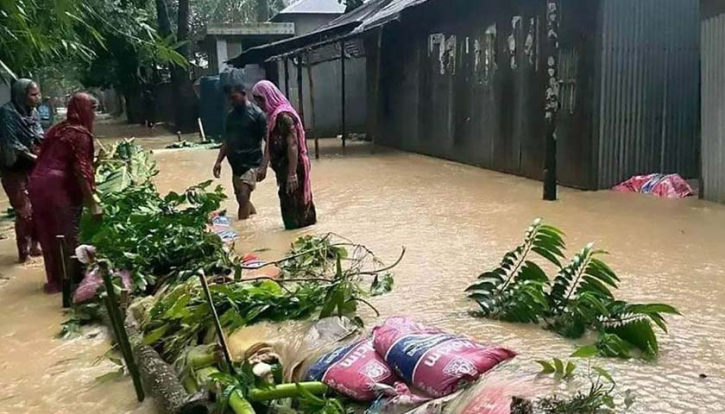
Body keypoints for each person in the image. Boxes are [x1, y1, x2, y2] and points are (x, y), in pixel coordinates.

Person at [29, 93, 102, 294]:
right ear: (85, 109)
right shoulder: (80, 134)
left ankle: (54, 282)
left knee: (47, 233)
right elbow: (80, 170)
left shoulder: (57, 129)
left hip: (36, 183)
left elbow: (49, 156)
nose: (94, 114)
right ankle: (73, 284)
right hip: (56, 186)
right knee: (69, 233)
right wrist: (92, 201)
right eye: (93, 109)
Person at [251, 80, 316, 230]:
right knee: (289, 198)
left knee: (293, 200)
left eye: (259, 101)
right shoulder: (274, 117)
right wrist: (263, 166)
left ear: (266, 97)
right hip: (284, 167)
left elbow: (293, 145)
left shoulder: (283, 116)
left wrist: (292, 174)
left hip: (293, 166)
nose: (259, 106)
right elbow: (270, 142)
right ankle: (301, 231)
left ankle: (297, 233)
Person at [0, 78, 43, 262]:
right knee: (24, 211)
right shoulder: (7, 113)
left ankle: (36, 245)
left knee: (40, 207)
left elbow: (39, 135)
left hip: (33, 166)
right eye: (33, 95)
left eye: (38, 94)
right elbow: (12, 143)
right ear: (21, 95)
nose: (38, 98)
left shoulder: (33, 113)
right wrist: (33, 156)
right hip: (13, 168)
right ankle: (23, 251)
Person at [213, 83, 267, 220]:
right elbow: (227, 141)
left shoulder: (258, 115)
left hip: (252, 163)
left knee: (243, 196)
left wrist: (264, 166)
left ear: (244, 94)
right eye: (229, 99)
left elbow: (269, 142)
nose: (231, 102)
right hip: (236, 165)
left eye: (233, 98)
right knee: (242, 198)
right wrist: (218, 161)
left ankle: (243, 235)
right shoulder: (231, 116)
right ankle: (254, 221)